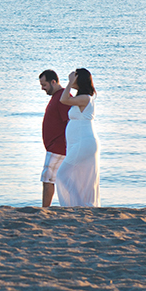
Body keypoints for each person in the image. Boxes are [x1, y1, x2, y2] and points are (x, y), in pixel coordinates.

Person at [56, 68, 100, 207]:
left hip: (83, 142)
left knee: (62, 174)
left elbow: (63, 100)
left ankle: (79, 204)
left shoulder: (85, 98)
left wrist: (69, 83)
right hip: (79, 142)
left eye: (75, 77)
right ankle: (80, 204)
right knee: (78, 176)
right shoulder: (81, 98)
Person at [38, 69, 72, 208]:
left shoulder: (62, 97)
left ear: (53, 82)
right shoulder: (57, 96)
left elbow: (69, 122)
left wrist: (66, 144)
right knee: (53, 179)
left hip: (58, 147)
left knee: (48, 179)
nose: (42, 88)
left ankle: (45, 209)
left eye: (44, 84)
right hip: (54, 146)